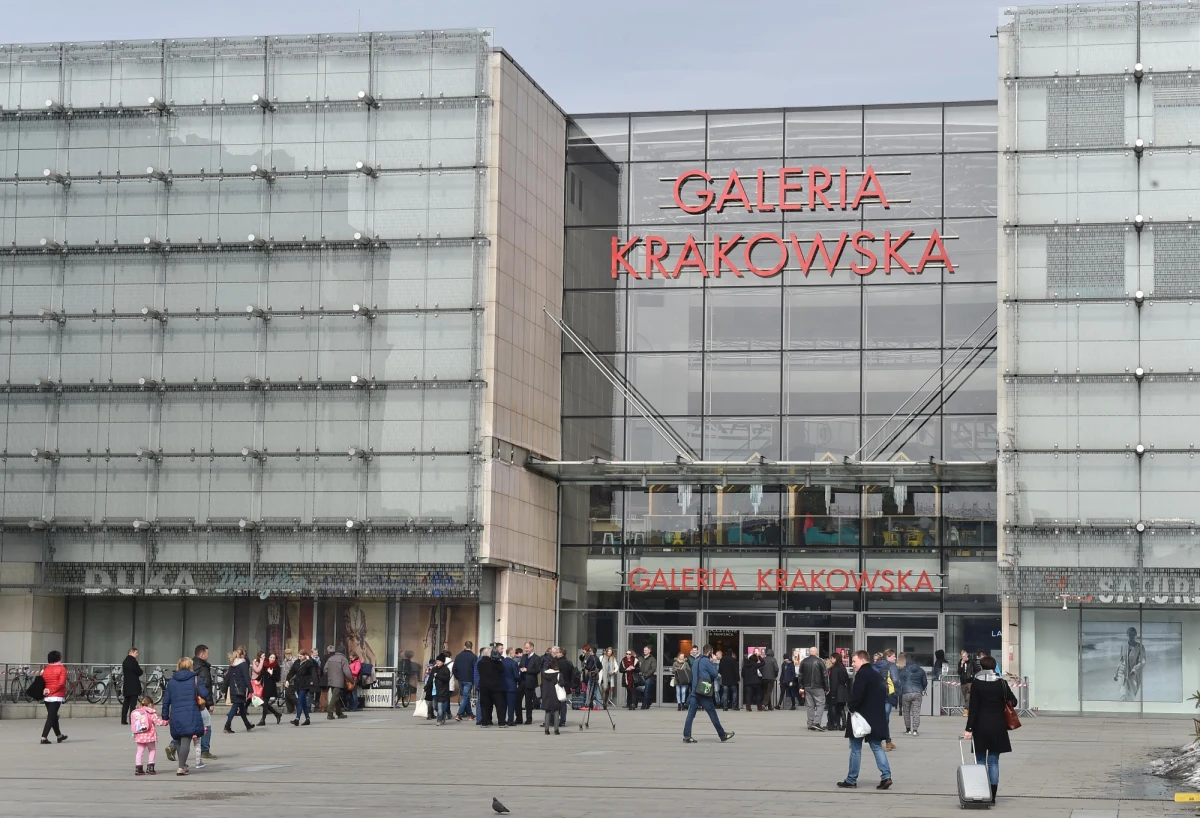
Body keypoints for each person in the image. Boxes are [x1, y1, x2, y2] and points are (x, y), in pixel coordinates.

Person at [963, 655, 1018, 803]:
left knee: (980, 760)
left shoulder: (976, 683)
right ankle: (993, 796)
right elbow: (1014, 701)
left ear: (981, 667)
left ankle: (981, 792)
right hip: (998, 725)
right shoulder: (1001, 683)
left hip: (980, 726)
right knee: (993, 761)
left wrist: (968, 728)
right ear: (994, 668)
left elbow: (973, 708)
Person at [837, 651, 892, 791]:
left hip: (861, 719)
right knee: (877, 746)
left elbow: (857, 694)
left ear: (862, 660)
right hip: (875, 718)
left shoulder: (862, 674)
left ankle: (851, 779)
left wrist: (851, 707)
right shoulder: (876, 674)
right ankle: (886, 776)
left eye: (854, 661)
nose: (853, 664)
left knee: (855, 748)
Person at [166, 645, 217, 763]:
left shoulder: (176, 677)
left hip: (178, 708)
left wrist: (165, 716)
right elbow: (205, 688)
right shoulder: (202, 669)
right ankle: (204, 750)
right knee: (205, 724)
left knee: (183, 729)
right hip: (196, 703)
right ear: (202, 654)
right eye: (207, 653)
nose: (208, 656)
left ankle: (175, 749)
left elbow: (167, 699)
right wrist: (209, 703)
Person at [161, 657, 209, 776]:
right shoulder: (195, 679)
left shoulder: (172, 681)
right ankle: (181, 767)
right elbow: (204, 694)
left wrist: (165, 716)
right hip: (190, 713)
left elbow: (166, 700)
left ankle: (183, 764)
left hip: (176, 714)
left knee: (178, 739)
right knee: (186, 739)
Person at [682, 645, 734, 744]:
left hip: (694, 692)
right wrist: (714, 663)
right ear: (710, 652)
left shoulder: (697, 660)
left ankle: (687, 736)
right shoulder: (706, 661)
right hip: (703, 692)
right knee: (712, 713)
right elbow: (715, 674)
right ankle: (722, 735)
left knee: (690, 715)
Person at [130, 695, 168, 775]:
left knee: (139, 752)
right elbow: (158, 722)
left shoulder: (137, 712)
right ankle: (150, 767)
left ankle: (138, 768)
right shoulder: (151, 712)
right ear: (150, 704)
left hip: (139, 735)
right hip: (149, 736)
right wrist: (166, 722)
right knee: (152, 750)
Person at [39, 650, 67, 745]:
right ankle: (44, 737)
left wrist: (46, 690)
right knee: (51, 717)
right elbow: (61, 683)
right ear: (58, 658)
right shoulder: (61, 669)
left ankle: (59, 736)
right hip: (56, 696)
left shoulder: (45, 668)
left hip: (46, 696)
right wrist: (52, 691)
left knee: (53, 716)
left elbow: (42, 681)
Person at [222, 649, 254, 733]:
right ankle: (227, 726)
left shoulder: (232, 665)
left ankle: (247, 724)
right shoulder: (243, 664)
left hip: (233, 689)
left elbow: (227, 678)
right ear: (242, 655)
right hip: (240, 689)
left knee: (242, 708)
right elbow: (246, 678)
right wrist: (251, 690)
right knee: (234, 708)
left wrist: (224, 689)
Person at [897, 652, 928, 736]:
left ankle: (908, 730)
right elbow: (925, 682)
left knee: (906, 712)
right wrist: (922, 688)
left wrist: (901, 690)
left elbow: (901, 681)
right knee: (916, 712)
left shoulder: (904, 670)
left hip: (906, 692)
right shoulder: (921, 670)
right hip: (917, 692)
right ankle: (915, 730)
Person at [875, 650, 900, 751]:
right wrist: (898, 691)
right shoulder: (891, 666)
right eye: (893, 656)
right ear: (888, 656)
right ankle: (879, 741)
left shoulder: (876, 665)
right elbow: (895, 680)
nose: (895, 658)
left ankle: (888, 741)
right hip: (888, 695)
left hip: (876, 695)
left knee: (883, 718)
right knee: (884, 719)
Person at [799, 646, 828, 731]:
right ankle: (816, 723)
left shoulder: (804, 661)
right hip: (818, 686)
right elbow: (825, 675)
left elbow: (800, 675)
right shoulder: (820, 661)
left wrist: (801, 687)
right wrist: (827, 687)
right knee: (820, 704)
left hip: (807, 687)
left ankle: (810, 723)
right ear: (816, 652)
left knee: (810, 705)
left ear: (809, 652)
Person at [476, 645, 506, 727]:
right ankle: (502, 722)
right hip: (495, 686)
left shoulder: (480, 663)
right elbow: (502, 670)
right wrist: (498, 660)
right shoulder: (495, 663)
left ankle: (485, 722)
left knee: (485, 705)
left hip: (484, 686)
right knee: (499, 705)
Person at [289, 648, 318, 726]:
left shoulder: (309, 662)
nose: (299, 658)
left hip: (305, 684)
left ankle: (297, 719)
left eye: (301, 656)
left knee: (300, 701)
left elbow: (314, 668)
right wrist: (287, 680)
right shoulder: (297, 662)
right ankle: (307, 719)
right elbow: (292, 671)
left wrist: (309, 660)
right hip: (298, 684)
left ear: (305, 656)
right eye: (298, 656)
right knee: (304, 702)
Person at [1115, 627, 1145, 702]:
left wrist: (1135, 670)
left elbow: (1142, 660)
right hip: (1122, 673)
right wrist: (1116, 674)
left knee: (1132, 696)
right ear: (1127, 635)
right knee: (1123, 694)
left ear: (1135, 635)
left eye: (1132, 634)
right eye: (1129, 634)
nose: (1131, 636)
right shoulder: (1123, 645)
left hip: (1134, 675)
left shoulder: (1140, 647)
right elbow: (1120, 660)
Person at [323, 644, 351, 720]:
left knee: (336, 697)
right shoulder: (343, 659)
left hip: (331, 680)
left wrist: (330, 675)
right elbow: (347, 672)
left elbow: (325, 669)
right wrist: (351, 680)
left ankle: (339, 713)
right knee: (335, 697)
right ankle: (330, 713)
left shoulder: (331, 658)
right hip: (339, 681)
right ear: (344, 652)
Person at [451, 640, 476, 721]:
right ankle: (459, 714)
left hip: (461, 679)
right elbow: (475, 669)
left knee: (465, 696)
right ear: (471, 647)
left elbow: (454, 668)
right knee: (465, 697)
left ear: (465, 646)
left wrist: (458, 677)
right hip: (469, 679)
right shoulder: (474, 657)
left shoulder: (458, 656)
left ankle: (470, 714)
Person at [256, 652, 283, 726]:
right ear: (269, 657)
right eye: (271, 657)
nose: (272, 659)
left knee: (265, 702)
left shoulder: (276, 666)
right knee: (265, 703)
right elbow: (262, 673)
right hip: (264, 685)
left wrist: (271, 674)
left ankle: (263, 720)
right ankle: (277, 714)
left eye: (274, 658)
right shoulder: (265, 664)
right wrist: (257, 679)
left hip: (270, 686)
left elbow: (277, 679)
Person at [518, 642, 542, 724]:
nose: (526, 650)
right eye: (525, 648)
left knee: (528, 702)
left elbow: (537, 670)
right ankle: (519, 718)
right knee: (517, 700)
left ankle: (529, 718)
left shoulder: (537, 658)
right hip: (522, 681)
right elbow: (520, 665)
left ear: (532, 648)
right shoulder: (524, 656)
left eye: (527, 648)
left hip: (530, 682)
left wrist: (527, 670)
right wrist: (521, 668)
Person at [827, 653, 851, 731]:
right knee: (841, 707)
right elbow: (847, 678)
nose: (831, 659)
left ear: (835, 659)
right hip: (842, 689)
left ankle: (835, 723)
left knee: (833, 707)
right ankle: (844, 723)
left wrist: (833, 693)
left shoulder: (835, 668)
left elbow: (834, 682)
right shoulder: (843, 667)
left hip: (837, 690)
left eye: (832, 658)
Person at [120, 647, 143, 726]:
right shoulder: (133, 662)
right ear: (132, 652)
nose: (137, 654)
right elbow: (139, 672)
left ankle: (123, 719)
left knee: (126, 702)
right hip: (134, 685)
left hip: (126, 684)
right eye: (136, 653)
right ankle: (132, 720)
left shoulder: (125, 661)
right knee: (133, 704)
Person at [540, 658, 562, 735]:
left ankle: (546, 729)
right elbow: (562, 683)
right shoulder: (558, 674)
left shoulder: (544, 674)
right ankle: (556, 730)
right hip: (555, 694)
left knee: (547, 712)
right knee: (556, 711)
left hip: (546, 694)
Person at [579, 644, 602, 710]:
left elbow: (588, 667)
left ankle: (587, 705)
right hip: (596, 675)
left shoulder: (590, 658)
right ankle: (597, 706)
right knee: (596, 691)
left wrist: (585, 666)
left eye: (590, 651)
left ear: (592, 651)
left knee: (588, 690)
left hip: (591, 675)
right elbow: (601, 667)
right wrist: (597, 671)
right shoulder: (597, 658)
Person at [431, 656, 452, 724]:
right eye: (437, 661)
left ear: (443, 662)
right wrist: (426, 686)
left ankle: (439, 720)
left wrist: (437, 676)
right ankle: (443, 714)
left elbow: (446, 679)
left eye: (439, 661)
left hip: (442, 690)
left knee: (440, 706)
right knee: (435, 706)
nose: (438, 662)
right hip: (434, 690)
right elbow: (430, 678)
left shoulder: (446, 669)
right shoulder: (434, 669)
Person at [502, 648, 520, 725]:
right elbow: (516, 676)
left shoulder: (502, 662)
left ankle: (502, 720)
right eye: (514, 653)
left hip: (502, 686)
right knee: (511, 705)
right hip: (511, 686)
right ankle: (510, 720)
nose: (515, 654)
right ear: (510, 653)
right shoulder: (513, 663)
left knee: (503, 705)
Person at [959, 649, 978, 717]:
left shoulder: (972, 662)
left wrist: (972, 675)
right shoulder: (960, 662)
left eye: (964, 656)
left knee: (968, 697)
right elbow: (959, 672)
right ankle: (970, 709)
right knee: (965, 697)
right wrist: (961, 664)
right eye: (962, 656)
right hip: (963, 682)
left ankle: (966, 710)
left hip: (970, 682)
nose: (963, 657)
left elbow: (977, 670)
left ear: (967, 655)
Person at [636, 645, 657, 709]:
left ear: (649, 651)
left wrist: (646, 675)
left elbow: (653, 669)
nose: (644, 651)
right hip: (640, 677)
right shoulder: (640, 658)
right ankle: (648, 702)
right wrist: (638, 671)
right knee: (638, 690)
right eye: (644, 650)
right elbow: (636, 666)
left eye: (646, 650)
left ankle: (644, 705)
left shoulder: (652, 659)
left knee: (646, 691)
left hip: (648, 677)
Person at [280, 648, 297, 714]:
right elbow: (283, 671)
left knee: (289, 694)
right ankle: (290, 709)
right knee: (286, 695)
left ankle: (298, 704)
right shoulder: (284, 661)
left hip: (291, 680)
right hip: (285, 680)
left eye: (289, 654)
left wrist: (290, 679)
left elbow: (294, 671)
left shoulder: (293, 660)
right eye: (286, 654)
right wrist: (282, 680)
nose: (288, 655)